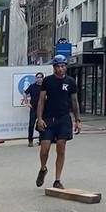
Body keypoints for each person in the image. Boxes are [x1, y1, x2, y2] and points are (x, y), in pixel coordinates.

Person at [35, 55, 80, 190]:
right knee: (45, 149)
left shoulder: (71, 82)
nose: (61, 68)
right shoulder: (47, 81)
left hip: (64, 118)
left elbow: (74, 102)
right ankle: (43, 169)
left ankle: (57, 179)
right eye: (58, 66)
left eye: (63, 66)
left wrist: (77, 119)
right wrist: (40, 118)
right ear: (54, 67)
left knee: (61, 147)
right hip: (48, 118)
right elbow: (41, 101)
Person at [24, 72, 44, 147]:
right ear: (36, 78)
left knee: (42, 124)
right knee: (31, 125)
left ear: (42, 78)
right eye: (37, 77)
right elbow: (25, 93)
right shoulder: (32, 86)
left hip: (43, 108)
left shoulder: (44, 87)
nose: (39, 79)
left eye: (40, 77)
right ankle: (30, 141)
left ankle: (41, 139)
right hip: (34, 108)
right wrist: (27, 103)